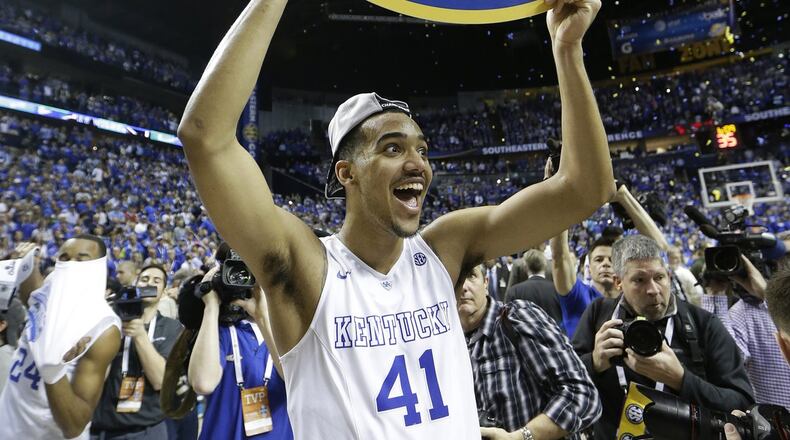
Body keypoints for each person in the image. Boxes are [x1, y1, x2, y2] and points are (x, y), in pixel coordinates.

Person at [177, 0, 615, 437]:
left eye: (422, 149)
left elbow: (585, 189)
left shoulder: (445, 246)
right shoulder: (308, 266)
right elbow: (204, 136)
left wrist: (567, 48)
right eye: (392, 148)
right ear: (346, 173)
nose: (418, 164)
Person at [572, 235, 754, 440]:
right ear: (619, 282)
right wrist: (594, 362)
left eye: (659, 277)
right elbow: (567, 383)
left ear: (668, 275)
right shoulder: (599, 315)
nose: (653, 290)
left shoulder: (702, 324)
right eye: (639, 280)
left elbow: (741, 402)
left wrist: (681, 380)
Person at [459, 264, 600, 440]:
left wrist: (520, 437)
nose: (464, 286)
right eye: (456, 279)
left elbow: (582, 396)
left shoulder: (516, 317)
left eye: (471, 276)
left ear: (486, 283)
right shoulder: (451, 346)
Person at [0, 237, 122, 439]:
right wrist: (29, 265)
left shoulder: (103, 327)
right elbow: (32, 296)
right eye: (64, 258)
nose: (70, 265)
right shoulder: (52, 284)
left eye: (81, 260)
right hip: (8, 424)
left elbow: (74, 426)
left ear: (97, 267)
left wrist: (53, 371)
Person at [551, 183, 669, 337]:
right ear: (587, 268)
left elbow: (659, 250)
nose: (605, 264)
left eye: (611, 260)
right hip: (585, 361)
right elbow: (559, 256)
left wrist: (623, 195)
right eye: (598, 260)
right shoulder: (578, 296)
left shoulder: (633, 298)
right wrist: (558, 193)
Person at [189, 267, 292, 439]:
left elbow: (295, 381)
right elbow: (203, 383)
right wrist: (211, 306)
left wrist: (262, 317)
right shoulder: (219, 330)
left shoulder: (289, 331)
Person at [91, 264, 183, 439]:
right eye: (145, 279)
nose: (149, 283)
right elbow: (95, 372)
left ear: (164, 292)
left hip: (147, 429)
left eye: (157, 281)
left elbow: (160, 381)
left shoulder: (172, 328)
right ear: (135, 285)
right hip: (102, 427)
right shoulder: (111, 321)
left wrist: (140, 334)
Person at [702, 256, 790, 409]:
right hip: (775, 424)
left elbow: (723, 362)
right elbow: (726, 362)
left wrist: (768, 296)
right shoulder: (741, 313)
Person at [505, 249, 563, 327]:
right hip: (554, 336)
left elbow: (506, 321)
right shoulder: (558, 290)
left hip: (525, 338)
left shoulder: (514, 291)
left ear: (525, 267)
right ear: (545, 265)